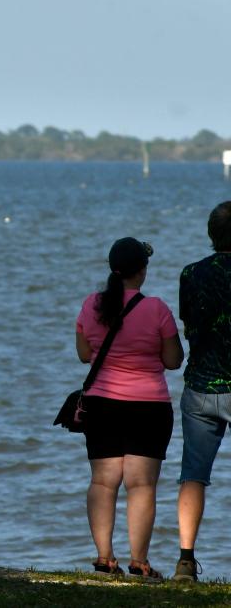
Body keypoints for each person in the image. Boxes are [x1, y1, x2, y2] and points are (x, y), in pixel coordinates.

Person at [75, 237, 183, 580]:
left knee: (103, 483)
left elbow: (83, 354)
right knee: (141, 486)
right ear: (142, 271)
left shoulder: (91, 305)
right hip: (148, 408)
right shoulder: (156, 309)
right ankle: (139, 562)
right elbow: (173, 360)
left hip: (102, 406)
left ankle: (105, 559)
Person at [174, 200, 231, 582]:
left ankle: (185, 561)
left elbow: (188, 323)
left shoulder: (190, 274)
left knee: (193, 476)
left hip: (199, 387)